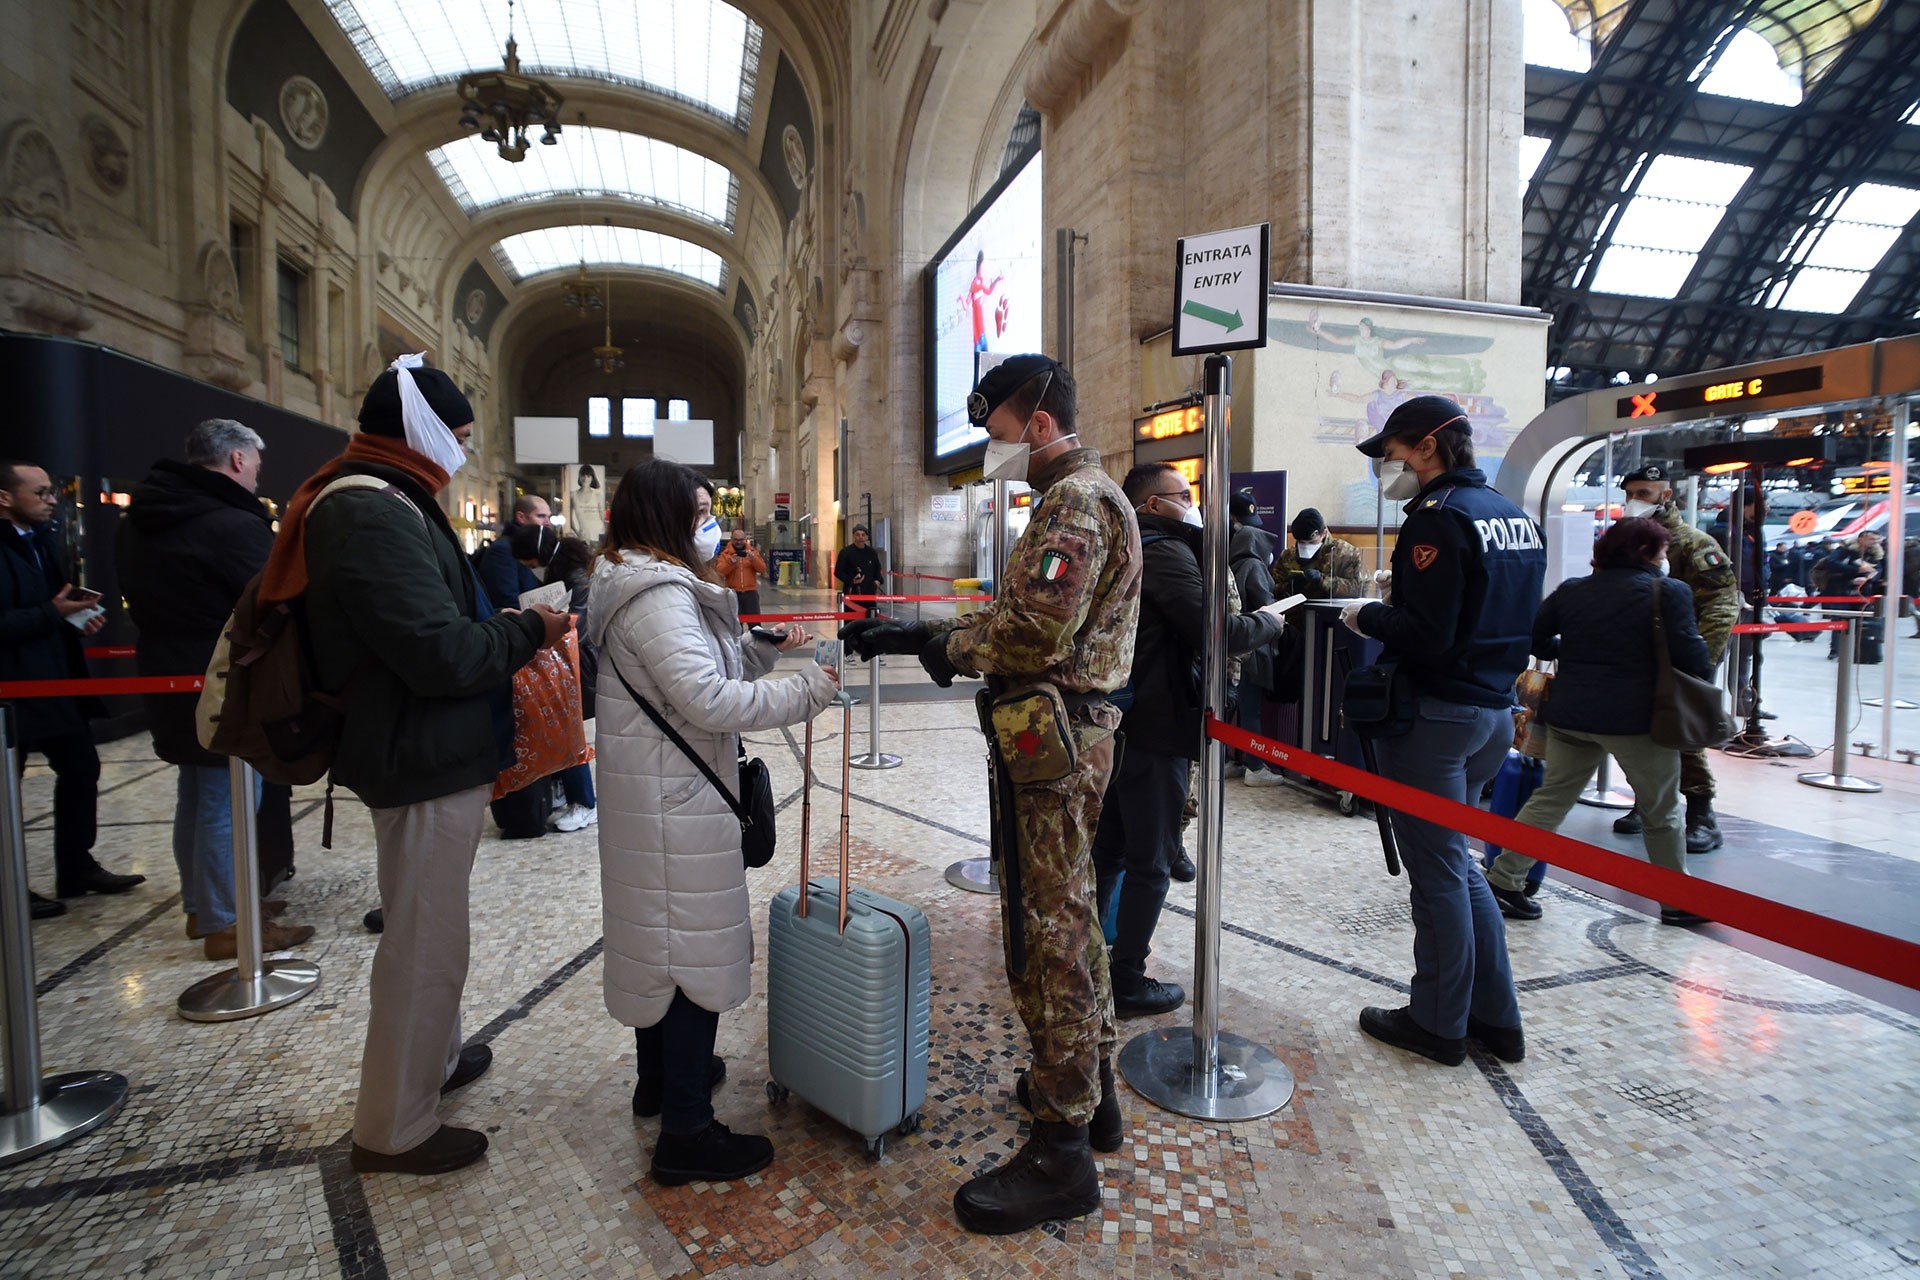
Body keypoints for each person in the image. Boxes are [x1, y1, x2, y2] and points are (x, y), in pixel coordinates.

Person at [842, 354, 1139, 1236]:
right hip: (1063, 733)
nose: (991, 448)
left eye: (997, 432)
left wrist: (933, 644)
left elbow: (1034, 630)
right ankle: (1094, 1092)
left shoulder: (1076, 501)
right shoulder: (1078, 496)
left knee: (1043, 930)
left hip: (1056, 741)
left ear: (1039, 424)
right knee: (1074, 917)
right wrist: (929, 633)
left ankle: (1062, 1151)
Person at [272, 356, 569, 1176]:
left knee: (438, 930)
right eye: (459, 439)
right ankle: (394, 1127)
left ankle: (433, 1064)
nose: (463, 454)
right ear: (421, 433)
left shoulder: (388, 497)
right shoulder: (367, 512)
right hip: (417, 751)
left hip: (427, 747)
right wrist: (528, 632)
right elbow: (438, 654)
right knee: (423, 942)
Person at [588, 457, 838, 1186]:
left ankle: (660, 1085)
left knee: (655, 941)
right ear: (665, 518)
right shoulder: (657, 597)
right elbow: (709, 702)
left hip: (653, 799)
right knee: (687, 952)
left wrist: (759, 648)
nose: (711, 526)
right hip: (675, 808)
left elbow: (702, 672)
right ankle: (687, 1133)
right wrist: (809, 691)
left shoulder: (632, 582)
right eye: (698, 512)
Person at [1339, 395, 1544, 1068]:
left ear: (1428, 447)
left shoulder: (1440, 518)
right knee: (1460, 865)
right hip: (1492, 712)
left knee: (1435, 877)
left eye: (1393, 454)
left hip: (1437, 718)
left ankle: (1437, 1022)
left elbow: (1426, 636)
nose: (1387, 469)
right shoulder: (1513, 517)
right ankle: (1495, 1017)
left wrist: (1368, 615)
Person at [117, 419, 316, 957]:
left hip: (169, 668)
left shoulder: (143, 518)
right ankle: (226, 922)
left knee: (198, 793)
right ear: (235, 461)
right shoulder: (228, 523)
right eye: (253, 463)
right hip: (223, 676)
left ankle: (206, 905)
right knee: (226, 796)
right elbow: (273, 597)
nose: (255, 474)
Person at [1094, 464, 1286, 1017]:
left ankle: (1092, 958)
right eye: (1183, 495)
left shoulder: (1124, 546)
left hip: (1121, 718)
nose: (1192, 503)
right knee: (1149, 861)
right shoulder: (1162, 550)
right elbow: (1218, 630)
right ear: (1153, 505)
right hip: (1156, 722)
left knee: (1110, 848)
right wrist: (1269, 620)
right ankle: (1126, 978)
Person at [1483, 517, 1712, 928]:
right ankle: (1676, 899)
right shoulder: (1668, 592)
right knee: (1661, 811)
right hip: (1638, 721)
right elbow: (1692, 658)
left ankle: (1505, 878)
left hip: (1572, 716)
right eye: (1661, 551)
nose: (1665, 558)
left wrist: (1571, 652)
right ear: (1645, 552)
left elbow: (1534, 638)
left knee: (1550, 800)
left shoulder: (1574, 590)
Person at [0, 461, 144, 917]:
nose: (50, 500)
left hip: (53, 684)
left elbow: (49, 604)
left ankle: (76, 867)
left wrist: (76, 619)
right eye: (39, 492)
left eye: (51, 492)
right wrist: (53, 613)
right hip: (12, 690)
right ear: (6, 497)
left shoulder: (41, 541)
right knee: (6, 788)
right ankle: (8, 889)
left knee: (82, 768)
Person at [1610, 465, 1739, 853]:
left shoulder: (1695, 543)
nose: (1635, 500)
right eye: (1631, 493)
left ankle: (1701, 812)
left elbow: (1722, 602)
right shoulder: (1627, 540)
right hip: (1638, 654)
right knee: (1637, 732)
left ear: (1666, 496)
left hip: (1682, 654)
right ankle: (1646, 802)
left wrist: (1701, 658)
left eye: (1644, 493)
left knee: (1681, 732)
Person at [1227, 491, 1284, 788]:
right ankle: (1256, 766)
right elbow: (1265, 603)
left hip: (1234, 648)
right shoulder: (1256, 566)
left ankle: (1229, 759)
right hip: (1253, 647)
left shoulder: (1230, 564)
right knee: (1251, 709)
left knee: (1233, 707)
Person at [1271, 507, 1366, 600]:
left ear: (1324, 533)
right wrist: (1290, 586)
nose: (1305, 546)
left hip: (1331, 613)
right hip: (1296, 614)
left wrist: (1323, 580)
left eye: (1311, 542)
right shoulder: (1288, 556)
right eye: (1300, 542)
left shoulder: (1345, 553)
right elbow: (1272, 588)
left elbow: (1359, 589)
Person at [476, 493, 550, 611]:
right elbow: (507, 602)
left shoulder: (525, 548)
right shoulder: (503, 550)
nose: (547, 523)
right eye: (541, 516)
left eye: (548, 517)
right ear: (521, 517)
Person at [714, 528, 766, 619]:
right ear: (731, 539)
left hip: (751, 593)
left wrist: (754, 560)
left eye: (741, 540)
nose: (739, 542)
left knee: (755, 624)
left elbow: (762, 569)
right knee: (735, 624)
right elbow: (720, 572)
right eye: (736, 540)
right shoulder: (725, 554)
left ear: (745, 539)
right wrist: (730, 563)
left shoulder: (753, 552)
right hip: (733, 593)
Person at [834, 524, 884, 616]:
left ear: (867, 537)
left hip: (869, 594)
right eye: (858, 534)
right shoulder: (846, 552)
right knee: (852, 622)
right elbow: (838, 572)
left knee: (870, 622)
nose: (860, 537)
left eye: (863, 535)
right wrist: (851, 580)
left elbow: (877, 569)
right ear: (853, 536)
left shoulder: (872, 553)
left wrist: (878, 581)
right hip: (852, 594)